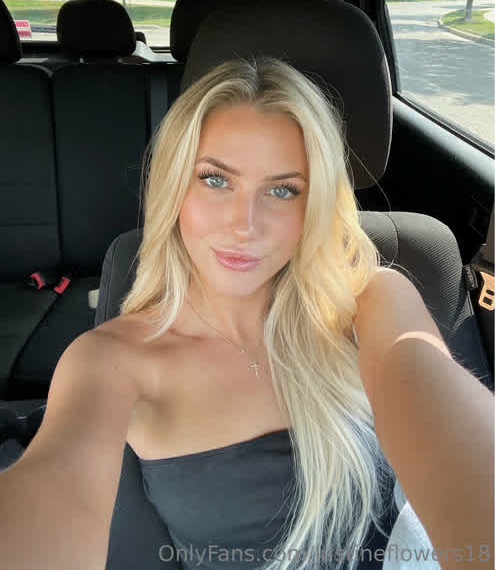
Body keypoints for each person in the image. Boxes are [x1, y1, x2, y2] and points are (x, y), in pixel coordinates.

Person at [0, 56, 493, 570]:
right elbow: (56, 491)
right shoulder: (111, 361)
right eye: (216, 180)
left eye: (283, 190)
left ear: (315, 205)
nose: (245, 225)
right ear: (174, 187)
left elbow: (456, 437)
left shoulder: (371, 301)